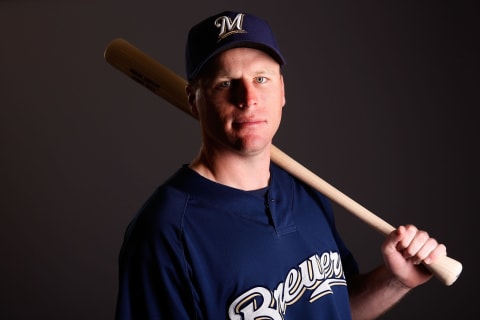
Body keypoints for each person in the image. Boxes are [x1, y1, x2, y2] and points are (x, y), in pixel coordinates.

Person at [115, 10, 447, 320]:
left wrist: (395, 281)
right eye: (225, 84)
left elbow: (335, 306)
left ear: (282, 90)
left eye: (262, 79)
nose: (248, 98)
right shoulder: (164, 231)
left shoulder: (306, 192)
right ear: (193, 101)